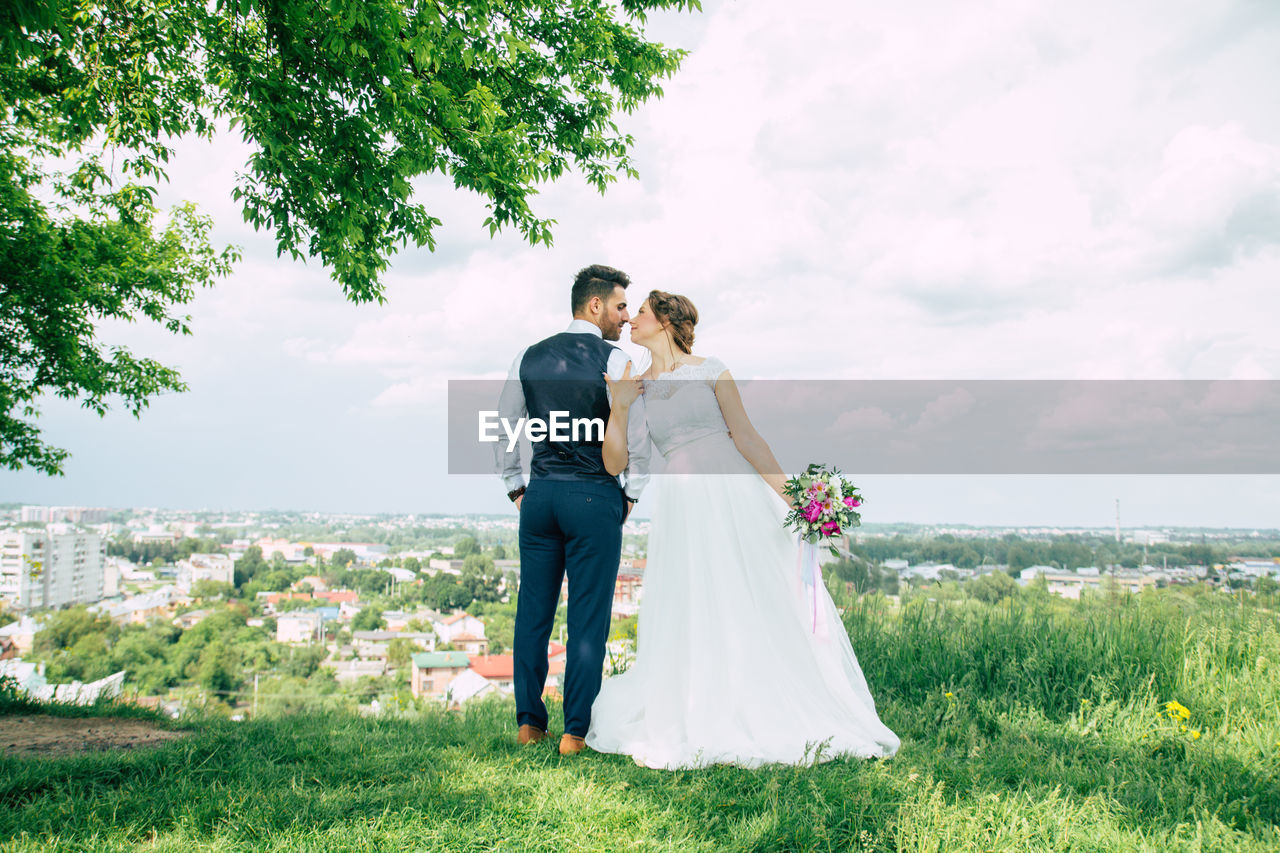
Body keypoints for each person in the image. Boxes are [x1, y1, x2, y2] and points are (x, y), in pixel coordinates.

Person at [584, 290, 901, 769]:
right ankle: (700, 701)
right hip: (683, 502)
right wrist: (620, 406)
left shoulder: (713, 369)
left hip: (734, 491)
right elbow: (615, 463)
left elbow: (748, 437)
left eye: (642, 313)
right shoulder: (636, 385)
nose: (631, 320)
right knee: (693, 597)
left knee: (753, 588)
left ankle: (770, 694)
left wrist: (799, 500)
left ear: (666, 320)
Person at [495, 264, 650, 756]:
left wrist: (517, 488)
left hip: (540, 497)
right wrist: (631, 494)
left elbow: (504, 427)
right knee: (588, 618)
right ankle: (575, 731)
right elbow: (636, 439)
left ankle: (528, 723)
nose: (626, 319)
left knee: (532, 613)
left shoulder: (528, 355)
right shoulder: (618, 361)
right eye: (621, 306)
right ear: (595, 304)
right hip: (593, 495)